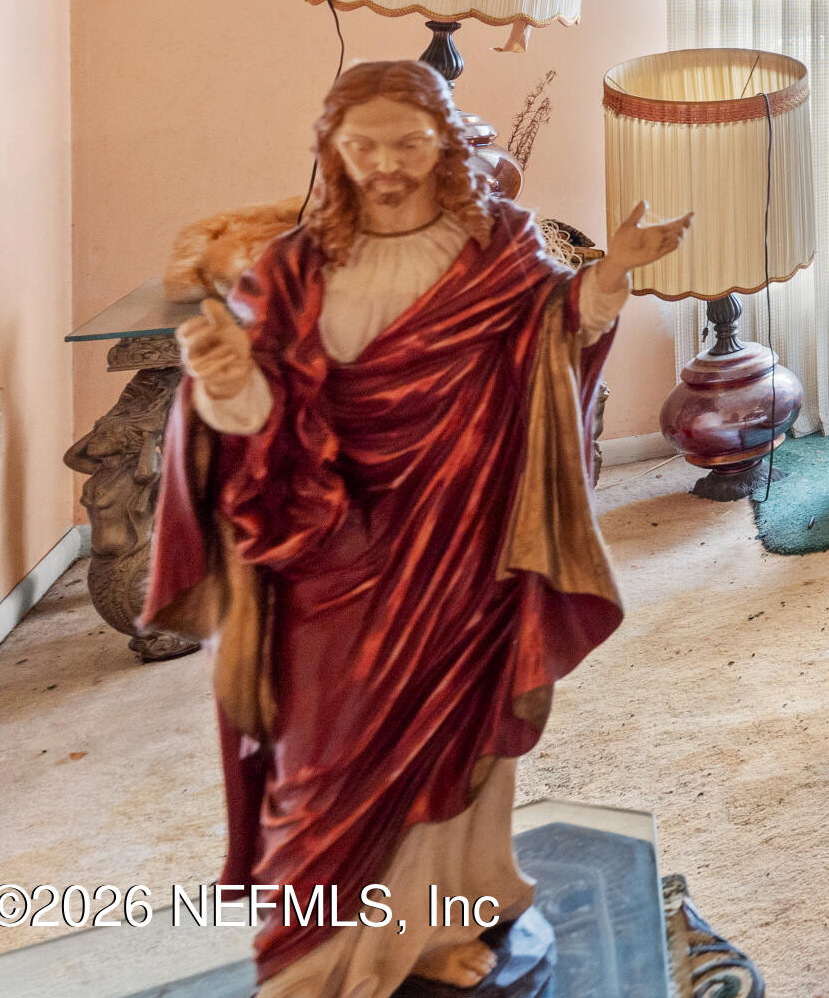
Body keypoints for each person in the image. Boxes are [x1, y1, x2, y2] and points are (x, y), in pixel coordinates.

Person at [147, 61, 690, 996]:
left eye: (409, 142)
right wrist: (228, 383)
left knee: (452, 738)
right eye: (363, 146)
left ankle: (441, 929)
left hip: (466, 536)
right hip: (328, 547)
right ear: (333, 151)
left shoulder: (502, 242)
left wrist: (612, 277)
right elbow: (246, 415)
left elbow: (554, 331)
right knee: (322, 753)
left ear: (444, 143)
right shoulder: (288, 270)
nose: (387, 165)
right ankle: (319, 960)